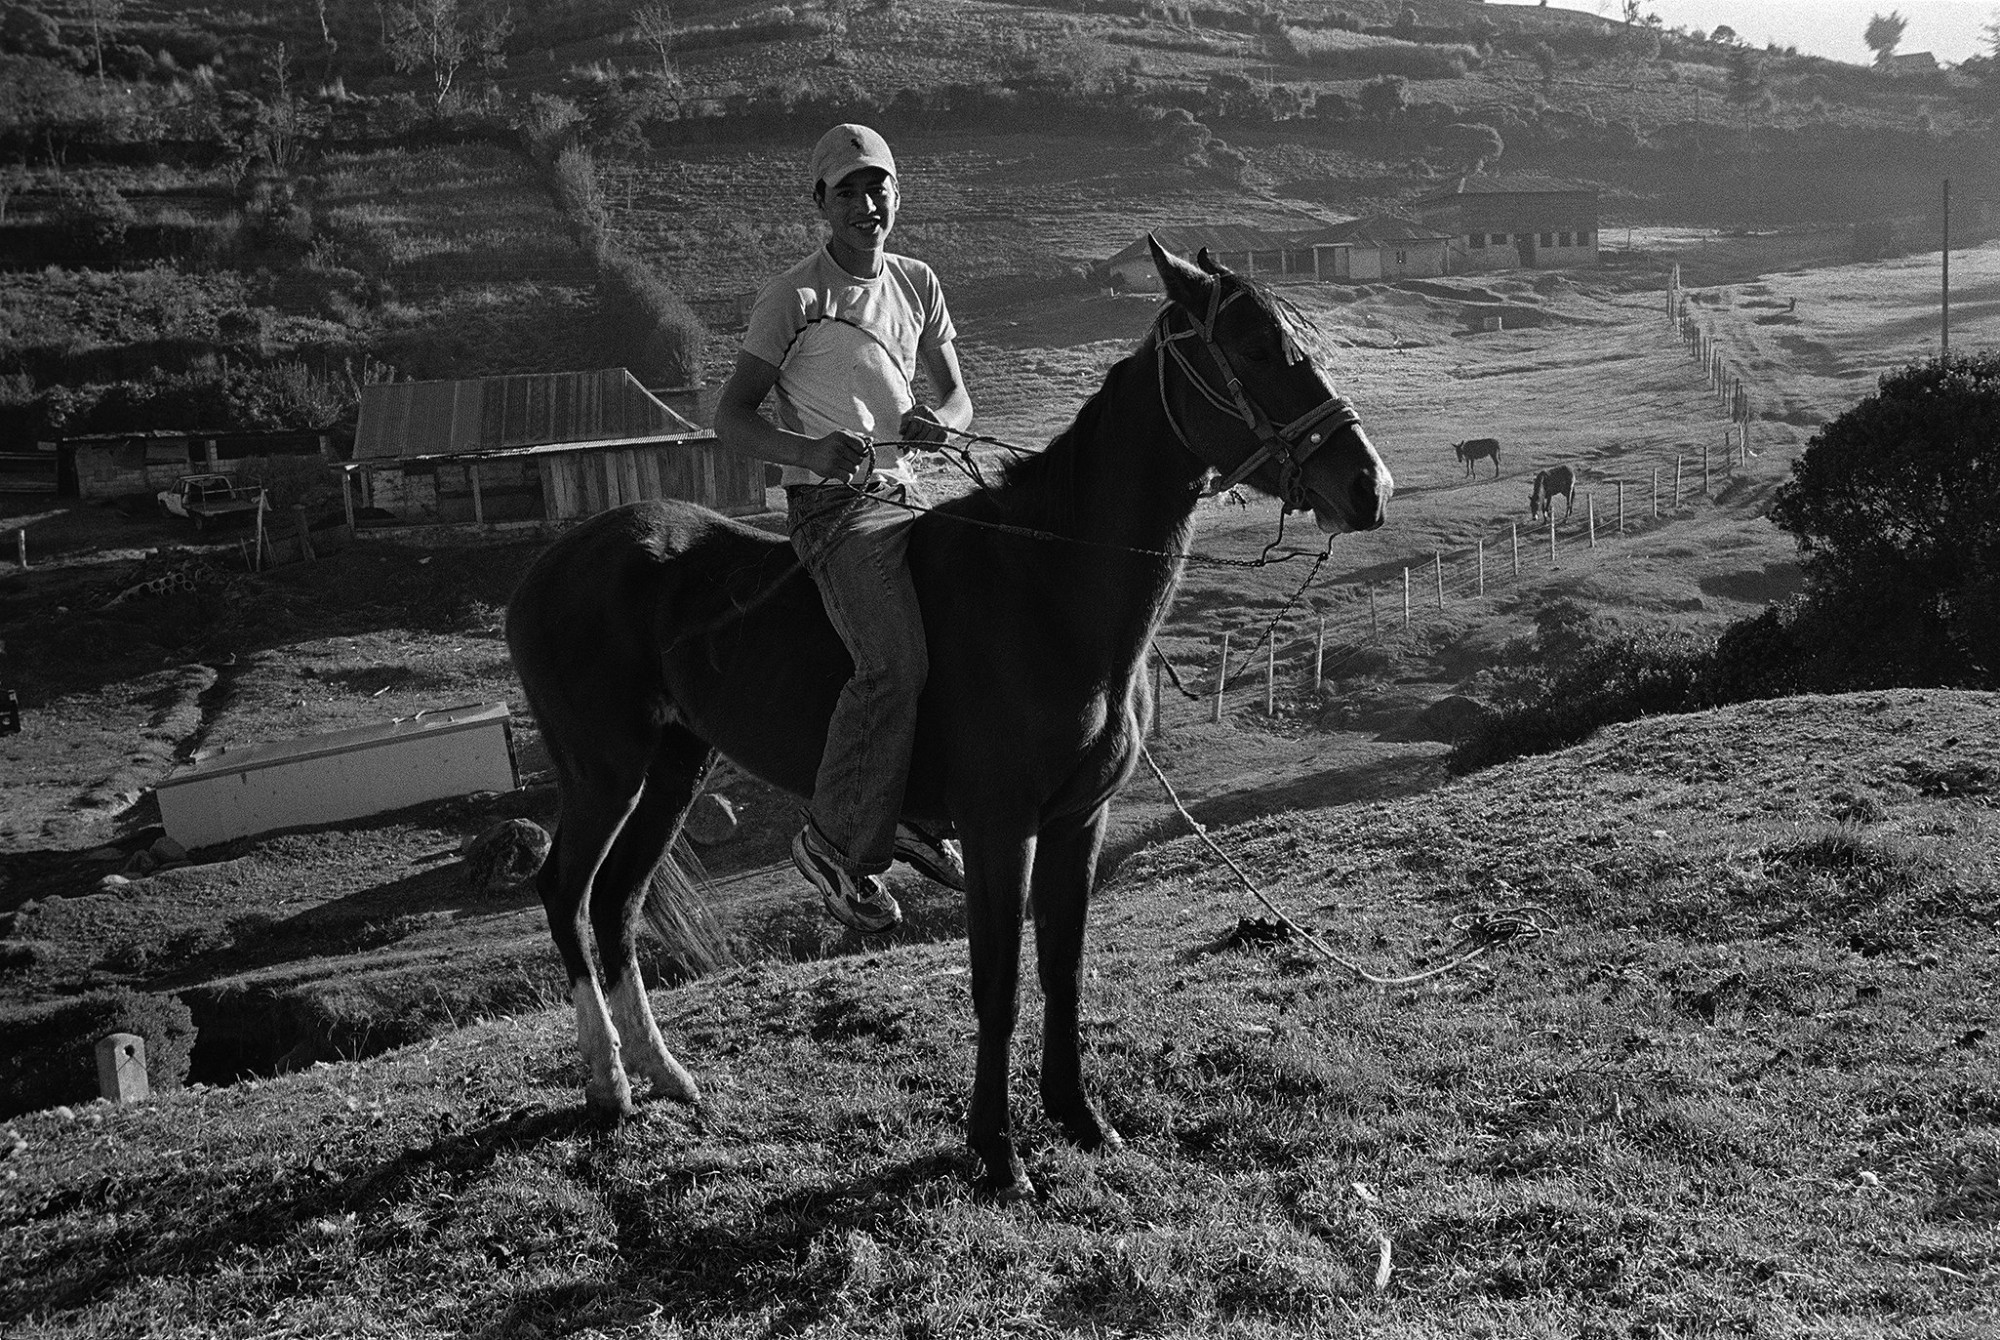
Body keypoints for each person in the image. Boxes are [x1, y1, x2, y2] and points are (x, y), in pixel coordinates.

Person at [714, 124, 973, 934]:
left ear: (899, 193)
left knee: (974, 628)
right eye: (850, 191)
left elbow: (960, 400)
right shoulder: (794, 296)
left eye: (881, 187)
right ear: (820, 204)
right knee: (893, 661)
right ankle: (832, 842)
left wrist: (944, 425)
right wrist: (812, 454)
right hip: (834, 509)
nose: (869, 203)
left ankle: (918, 815)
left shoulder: (919, 282)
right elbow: (729, 417)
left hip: (908, 494)